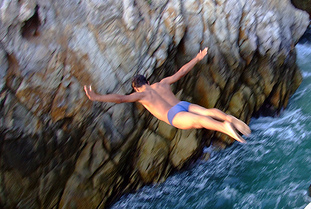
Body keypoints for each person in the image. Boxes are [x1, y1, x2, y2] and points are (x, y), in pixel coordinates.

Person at [84, 48, 251, 143]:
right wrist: (197, 57)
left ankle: (223, 127)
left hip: (173, 114)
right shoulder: (162, 83)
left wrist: (96, 97)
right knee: (207, 112)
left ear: (136, 88)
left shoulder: (141, 96)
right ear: (147, 81)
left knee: (199, 122)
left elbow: (120, 99)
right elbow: (182, 71)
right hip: (182, 105)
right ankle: (228, 118)